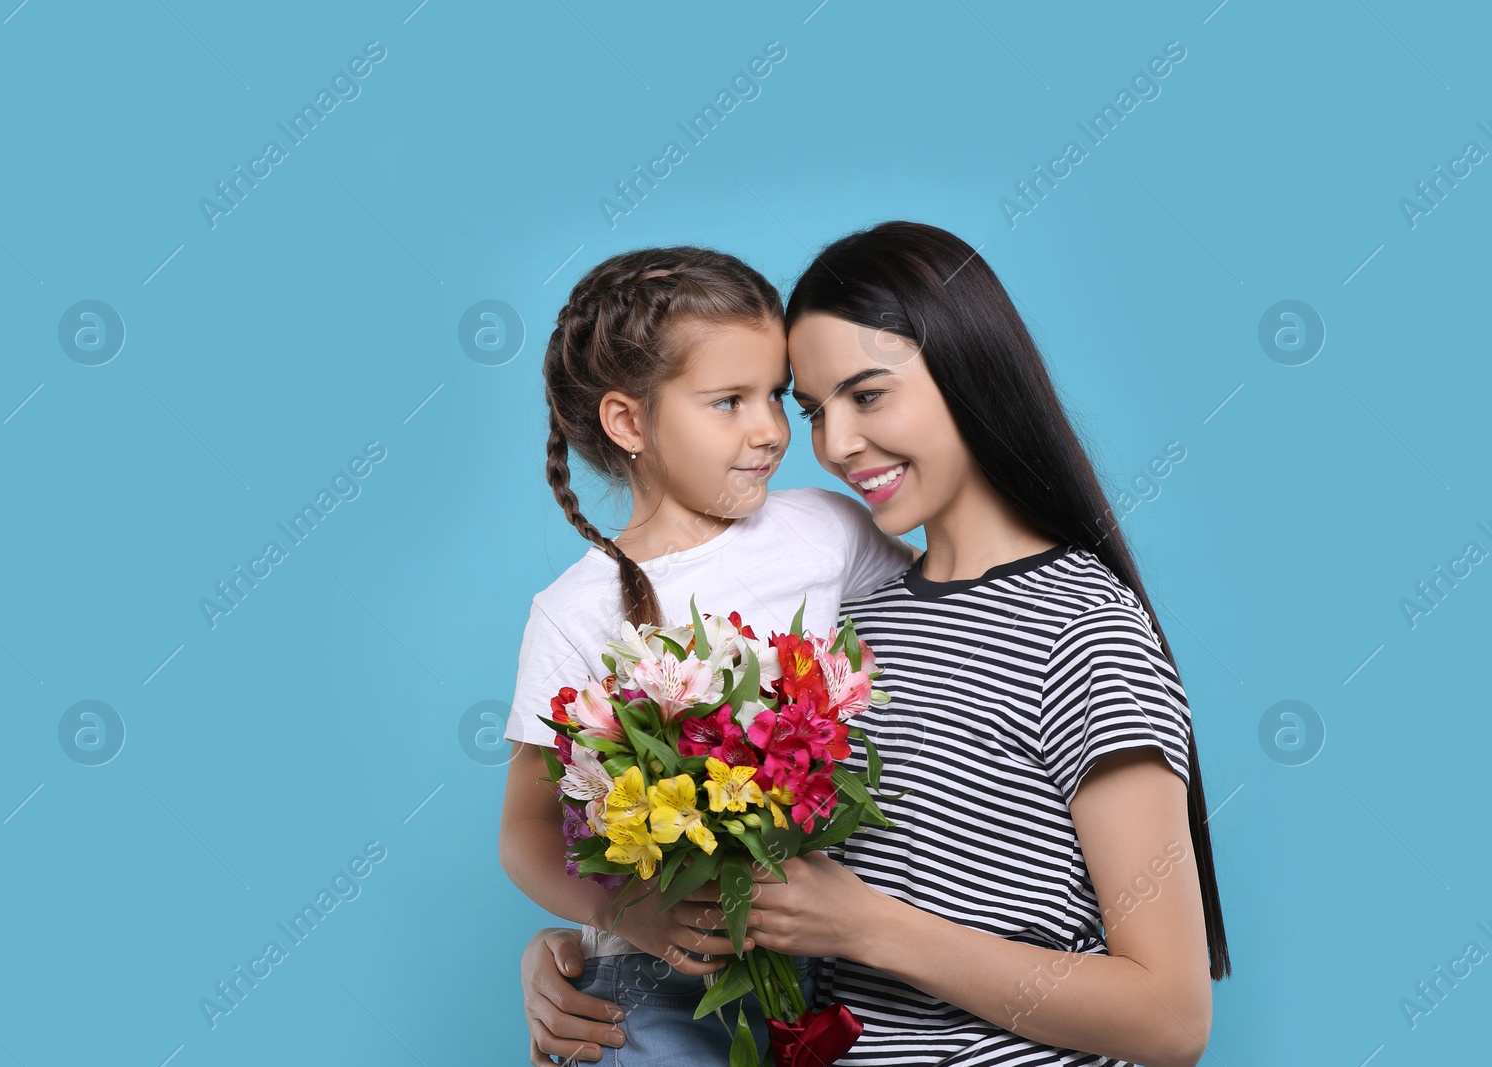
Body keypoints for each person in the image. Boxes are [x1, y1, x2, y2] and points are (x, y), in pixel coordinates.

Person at [518, 221, 1230, 1067]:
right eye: (816, 408)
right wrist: (590, 955)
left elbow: (1171, 1018)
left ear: (970, 367)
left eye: (867, 394)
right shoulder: (843, 624)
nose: (830, 445)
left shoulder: (1083, 629)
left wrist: (868, 925)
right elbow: (759, 886)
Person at [499, 245, 920, 1065]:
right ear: (629, 423)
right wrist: (633, 917)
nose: (769, 430)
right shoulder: (573, 611)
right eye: (728, 401)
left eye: (772, 397)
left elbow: (935, 627)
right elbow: (525, 829)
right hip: (659, 984)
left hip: (828, 954)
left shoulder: (825, 528)